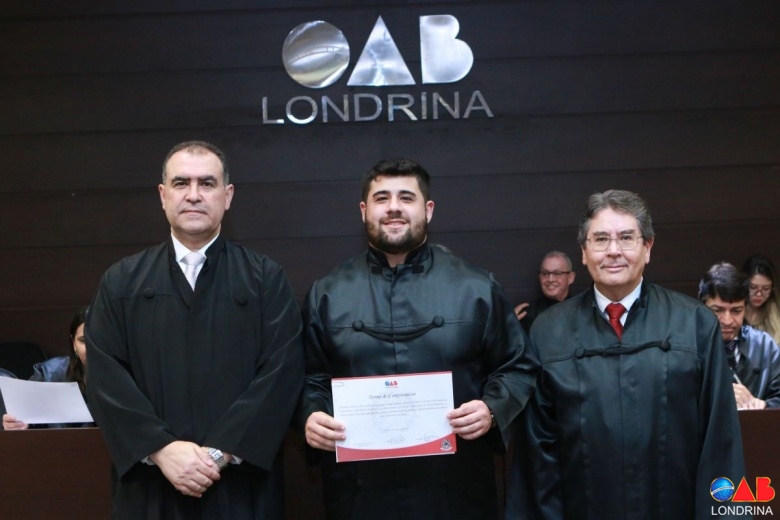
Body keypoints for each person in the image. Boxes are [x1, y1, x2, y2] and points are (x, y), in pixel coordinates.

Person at [297, 158, 538, 519]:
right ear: (364, 211)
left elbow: (517, 366)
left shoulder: (476, 288)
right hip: (360, 493)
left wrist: (491, 410)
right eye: (382, 198)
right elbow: (309, 377)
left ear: (428, 209)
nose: (393, 207)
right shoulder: (327, 294)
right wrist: (311, 414)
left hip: (456, 490)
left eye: (406, 197)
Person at [85, 140, 304, 519]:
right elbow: (106, 377)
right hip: (151, 483)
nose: (193, 195)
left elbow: (281, 372)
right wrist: (162, 449)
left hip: (239, 485)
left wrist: (218, 454)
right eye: (181, 183)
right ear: (163, 195)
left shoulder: (265, 278)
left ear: (227, 196)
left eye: (207, 183)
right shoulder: (121, 281)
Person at [507, 190, 746, 519]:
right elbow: (538, 455)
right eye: (601, 239)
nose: (613, 251)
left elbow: (720, 442)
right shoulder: (549, 331)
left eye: (626, 237)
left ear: (647, 247)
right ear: (584, 252)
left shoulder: (694, 324)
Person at [698, 262, 780, 409]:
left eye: (736, 311)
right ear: (701, 307)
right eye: (717, 310)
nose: (727, 320)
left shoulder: (764, 346)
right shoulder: (685, 347)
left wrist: (764, 405)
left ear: (745, 309)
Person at [2, 307, 89, 430]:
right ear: (73, 342)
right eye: (83, 341)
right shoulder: (50, 373)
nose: (91, 348)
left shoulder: (118, 374)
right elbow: (25, 417)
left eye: (98, 340)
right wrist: (18, 423)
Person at [514, 251, 576, 333]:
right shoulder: (527, 314)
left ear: (570, 278)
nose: (550, 279)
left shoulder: (582, 313)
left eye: (557, 273)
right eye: (545, 273)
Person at [741, 254, 780, 345]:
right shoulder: (732, 310)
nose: (759, 294)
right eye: (753, 287)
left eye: (766, 289)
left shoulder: (777, 315)